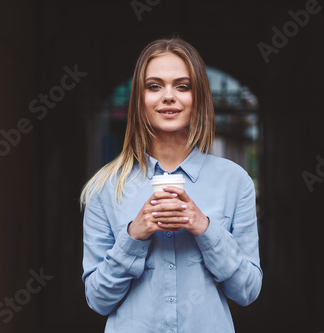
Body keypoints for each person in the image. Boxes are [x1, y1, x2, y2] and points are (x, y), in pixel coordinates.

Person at [80, 37, 262, 333]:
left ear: (198, 97)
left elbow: (247, 291)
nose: (168, 96)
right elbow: (98, 300)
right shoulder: (104, 188)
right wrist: (133, 236)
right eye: (154, 86)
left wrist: (205, 228)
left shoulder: (235, 182)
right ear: (139, 99)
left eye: (182, 86)